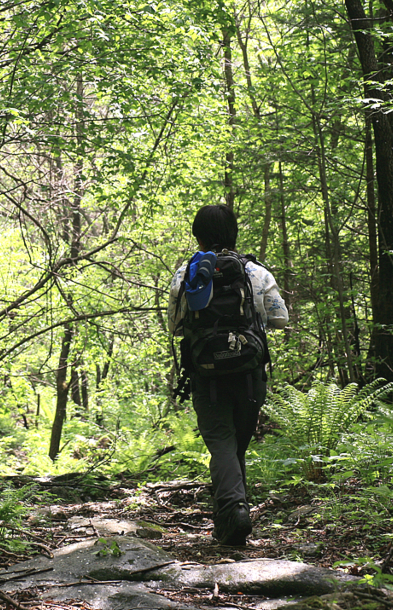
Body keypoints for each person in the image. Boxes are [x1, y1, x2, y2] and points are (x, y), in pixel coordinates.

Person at [171, 204, 288, 546]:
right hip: (250, 374)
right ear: (234, 233)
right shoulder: (256, 273)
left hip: (206, 374)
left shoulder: (187, 273)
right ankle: (234, 512)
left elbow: (175, 326)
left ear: (198, 235)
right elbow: (280, 319)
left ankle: (233, 511)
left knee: (221, 441)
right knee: (234, 443)